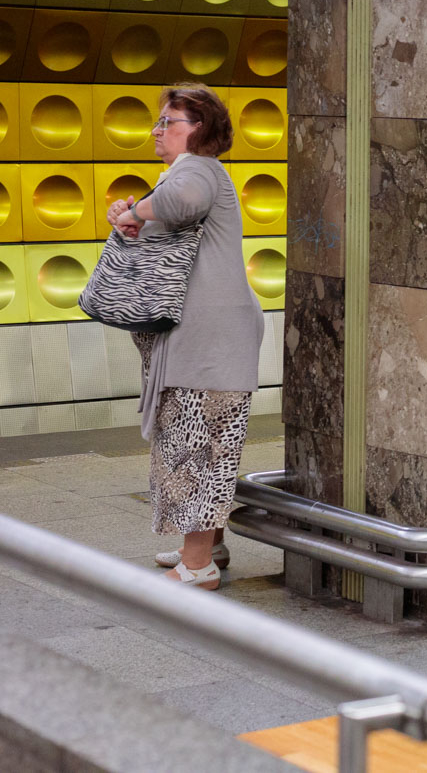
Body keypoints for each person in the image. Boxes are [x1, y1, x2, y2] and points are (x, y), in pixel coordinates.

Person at [104, 83, 264, 588]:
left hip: (209, 341)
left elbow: (183, 199)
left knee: (196, 447)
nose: (157, 131)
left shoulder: (198, 170)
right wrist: (133, 221)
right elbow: (173, 220)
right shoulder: (190, 173)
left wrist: (135, 212)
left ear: (199, 128)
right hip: (212, 337)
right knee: (206, 443)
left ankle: (198, 568)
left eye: (167, 122)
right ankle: (207, 547)